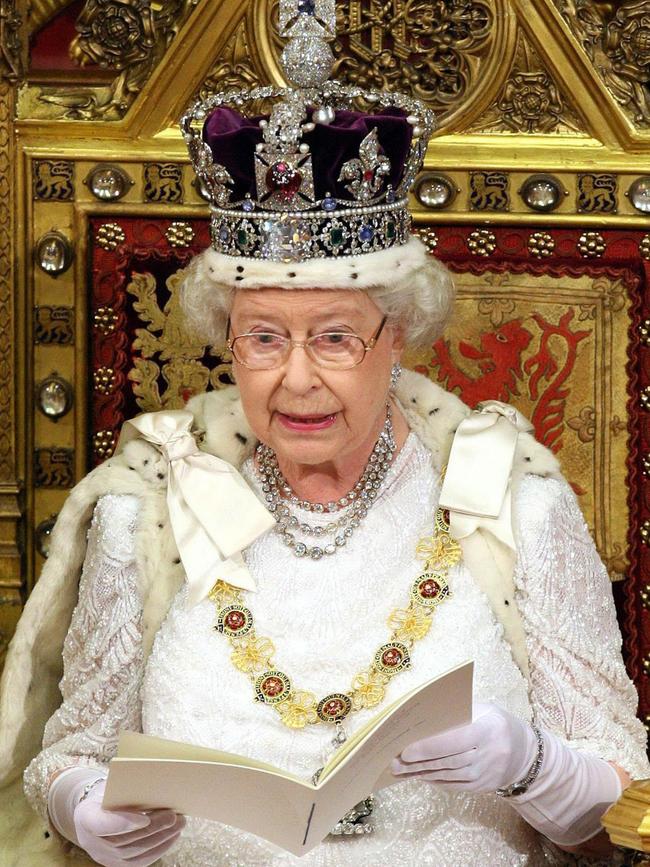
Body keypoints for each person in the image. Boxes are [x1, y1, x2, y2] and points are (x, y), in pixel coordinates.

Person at [1, 2, 648, 865]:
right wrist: (87, 808)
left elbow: (624, 806)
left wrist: (533, 763)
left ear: (400, 336)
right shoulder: (151, 507)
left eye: (336, 336)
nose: (297, 377)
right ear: (228, 342)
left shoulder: (510, 499)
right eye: (265, 337)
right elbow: (66, 756)